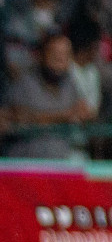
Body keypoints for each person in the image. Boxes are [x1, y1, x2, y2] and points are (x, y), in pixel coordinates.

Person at [5, 31, 94, 160]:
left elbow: (79, 112)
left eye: (65, 55)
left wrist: (85, 114)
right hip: (26, 167)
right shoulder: (24, 83)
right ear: (41, 55)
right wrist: (62, 116)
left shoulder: (69, 83)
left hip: (59, 166)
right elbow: (15, 118)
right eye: (55, 54)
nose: (60, 60)